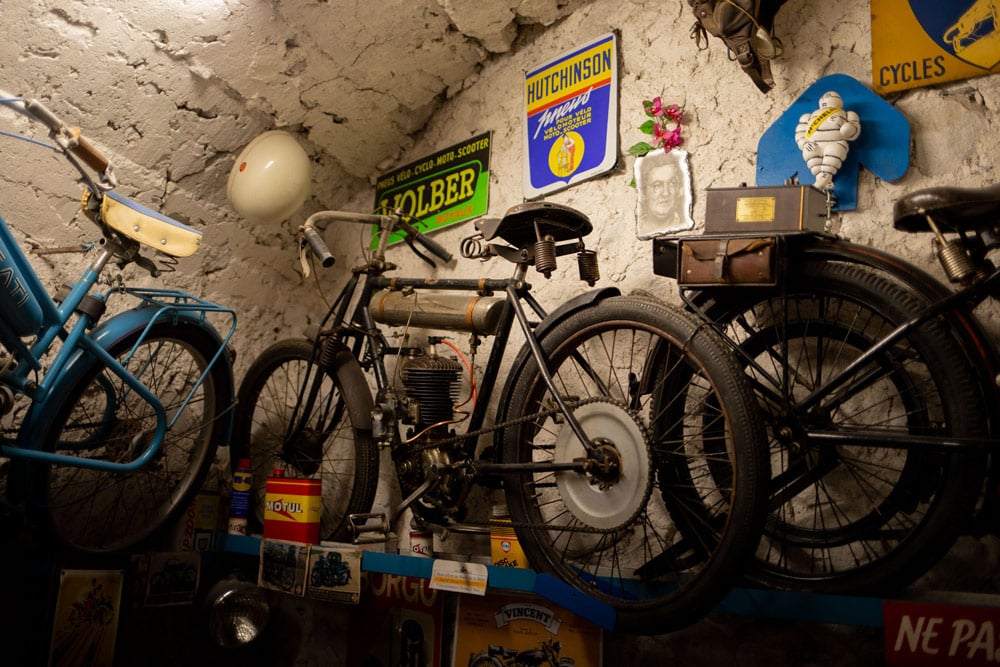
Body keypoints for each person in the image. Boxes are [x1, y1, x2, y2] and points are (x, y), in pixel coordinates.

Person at [636, 150, 690, 237]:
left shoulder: (684, 224)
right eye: (657, 185)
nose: (665, 193)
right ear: (644, 193)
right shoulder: (640, 228)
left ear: (679, 190)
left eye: (672, 184)